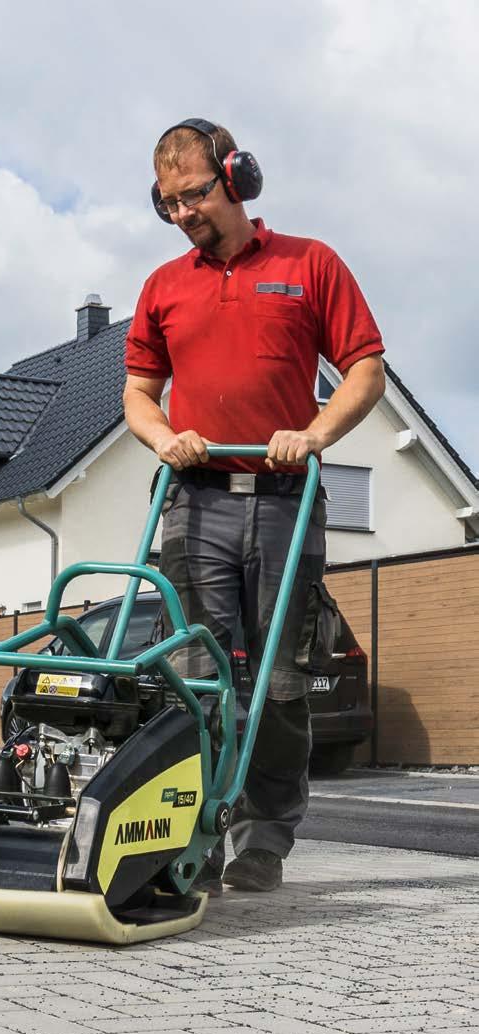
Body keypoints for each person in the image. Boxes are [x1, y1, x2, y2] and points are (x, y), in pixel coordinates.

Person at [123, 119, 385, 893]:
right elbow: (139, 395)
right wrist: (164, 438)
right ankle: (189, 835)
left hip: (282, 503)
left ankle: (264, 837)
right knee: (196, 679)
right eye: (167, 203)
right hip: (194, 503)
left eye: (195, 194)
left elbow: (365, 370)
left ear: (237, 177)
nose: (182, 214)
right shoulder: (163, 287)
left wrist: (313, 432)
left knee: (277, 680)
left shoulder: (310, 265)